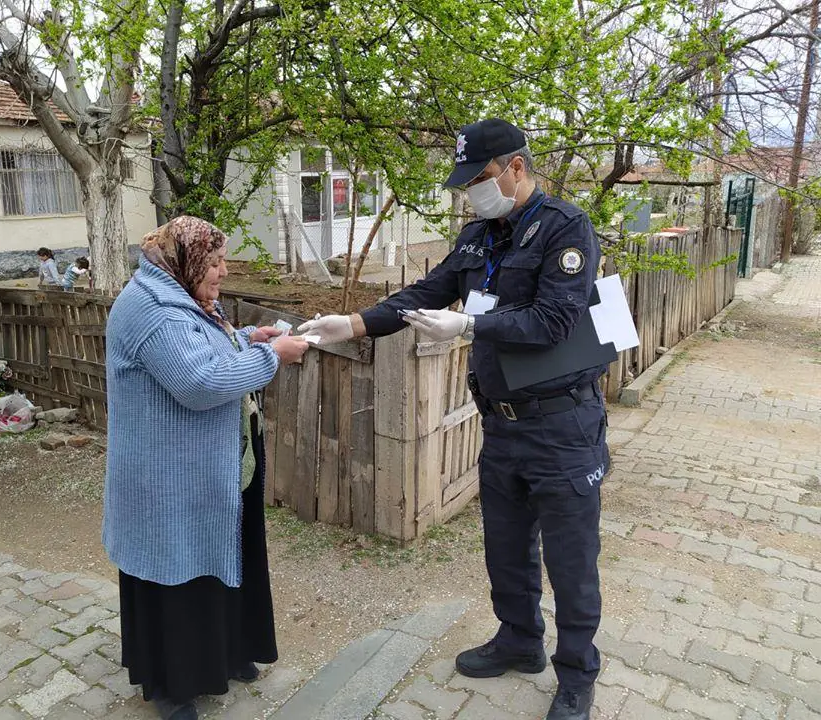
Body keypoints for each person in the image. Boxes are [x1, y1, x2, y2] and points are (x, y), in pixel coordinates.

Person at [299, 118, 608, 720]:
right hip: (503, 424)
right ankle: (520, 641)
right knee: (507, 546)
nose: (473, 192)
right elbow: (427, 290)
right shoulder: (478, 236)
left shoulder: (564, 229)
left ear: (516, 168)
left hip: (561, 427)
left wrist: (471, 325)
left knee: (571, 559)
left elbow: (555, 322)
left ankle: (577, 675)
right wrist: (355, 323)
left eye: (482, 178)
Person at [103, 215, 310, 720]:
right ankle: (172, 687)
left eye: (222, 261)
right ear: (186, 261)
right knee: (176, 575)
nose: (222, 271)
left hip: (205, 473)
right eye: (214, 262)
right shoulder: (153, 311)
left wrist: (244, 339)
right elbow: (197, 383)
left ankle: (225, 656)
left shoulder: (177, 296)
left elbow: (202, 346)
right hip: (165, 481)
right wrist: (273, 357)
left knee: (214, 564)